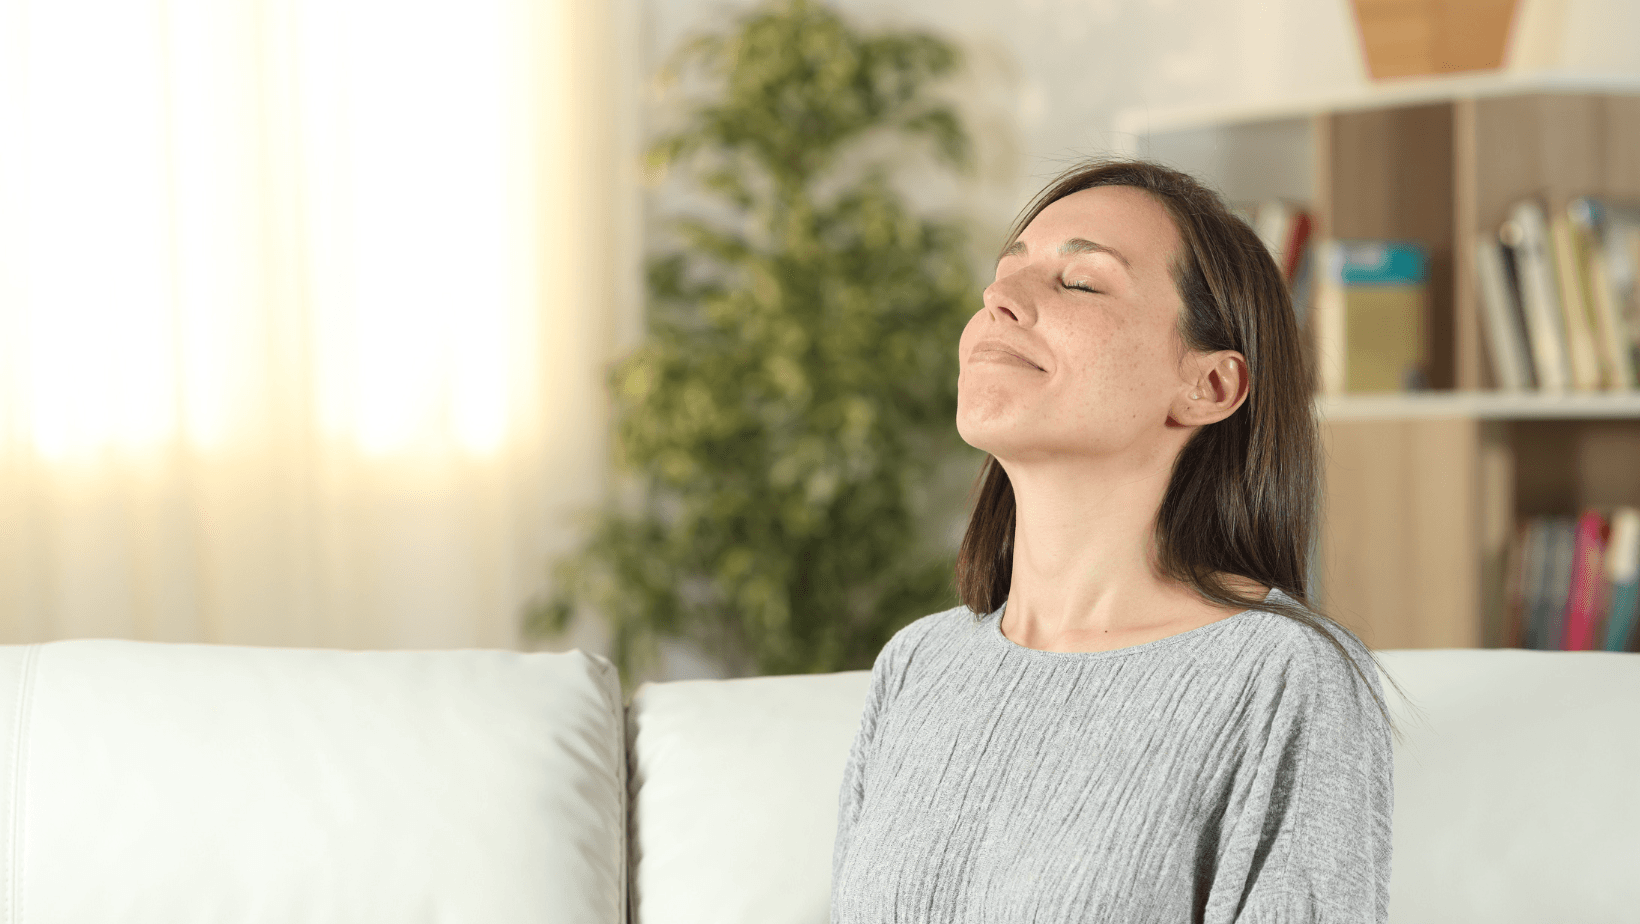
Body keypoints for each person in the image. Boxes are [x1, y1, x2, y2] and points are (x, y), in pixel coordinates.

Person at [830, 159, 1406, 923]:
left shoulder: (1282, 678)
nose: (999, 299)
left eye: (1080, 282)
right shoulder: (919, 665)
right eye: (1003, 276)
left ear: (1209, 386)